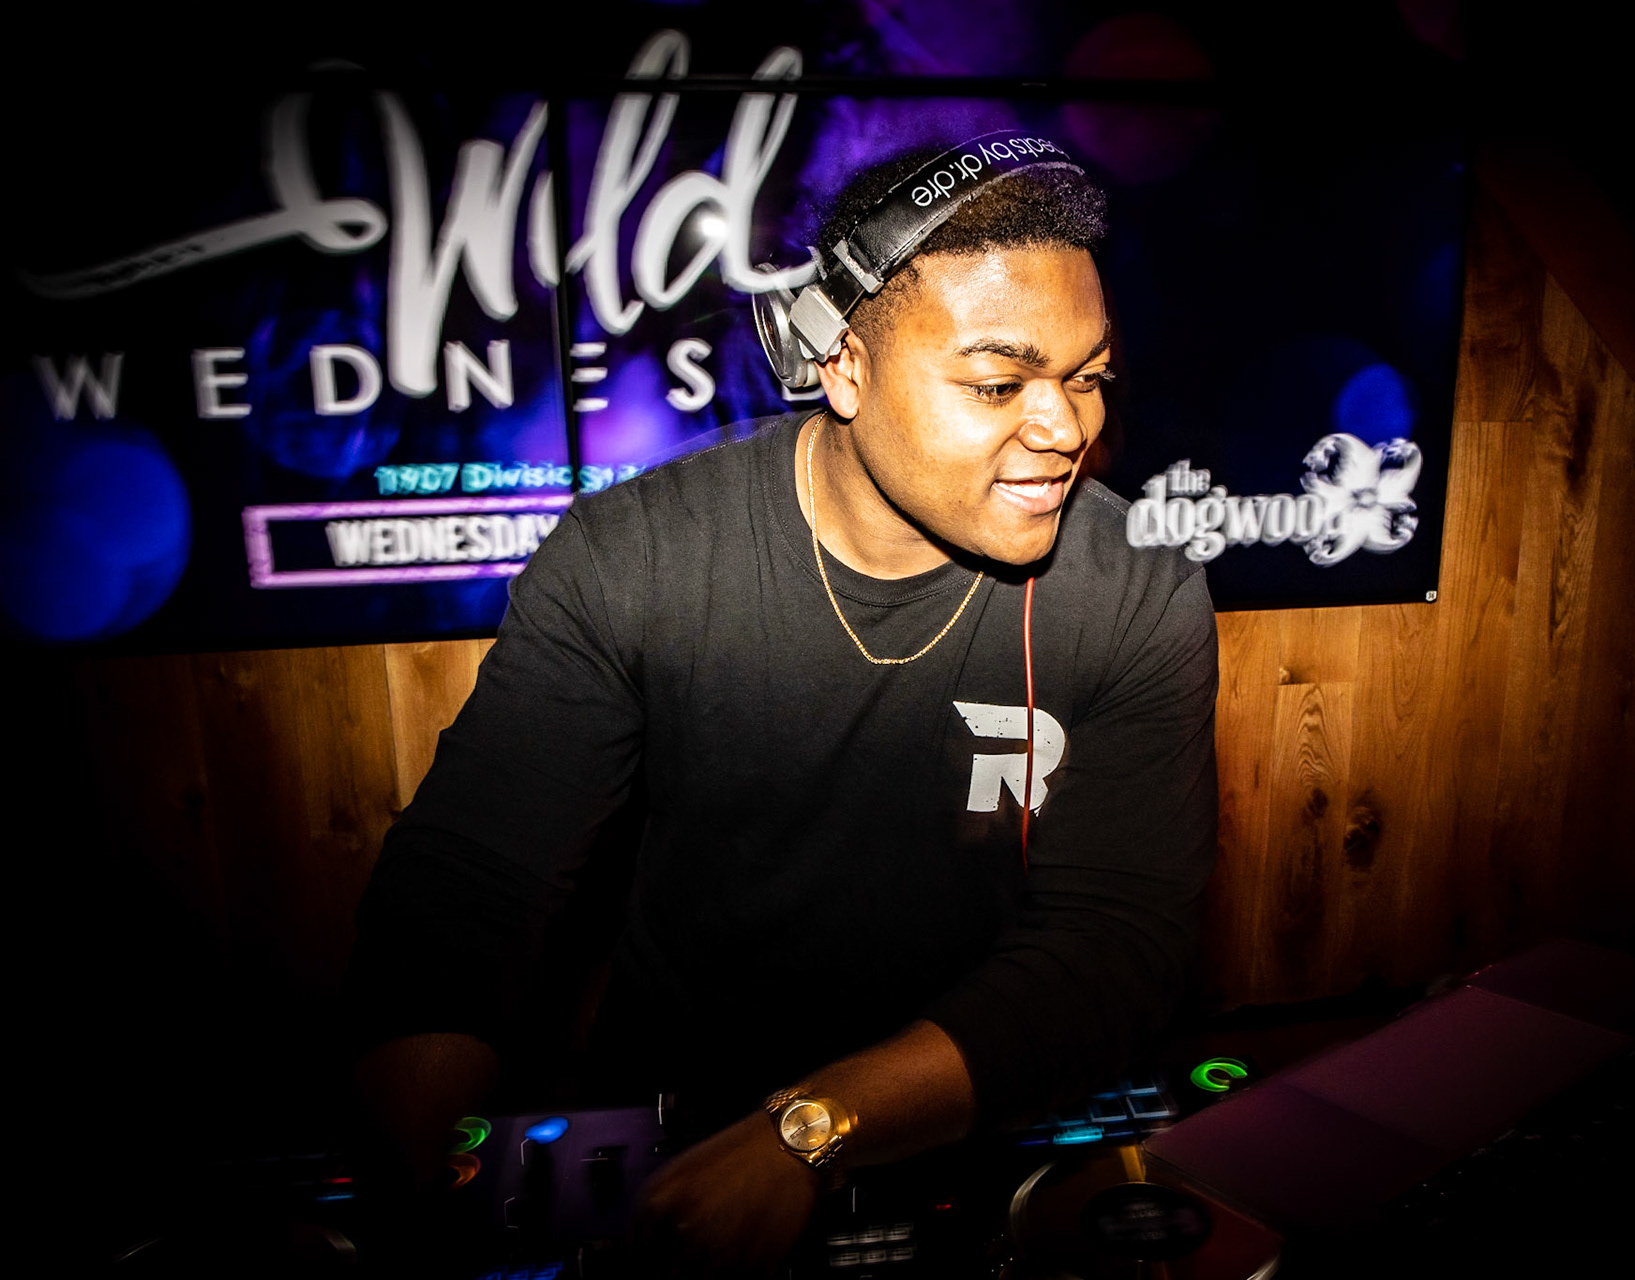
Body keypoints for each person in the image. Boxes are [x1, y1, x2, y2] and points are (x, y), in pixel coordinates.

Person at [348, 140, 1219, 1271]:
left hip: (987, 1119)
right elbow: (469, 888)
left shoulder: (1137, 587)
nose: (1065, 428)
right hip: (683, 1144)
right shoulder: (637, 558)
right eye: (999, 383)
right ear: (840, 365)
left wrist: (813, 1129)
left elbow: (1116, 944)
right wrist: (413, 1187)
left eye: (1087, 375)